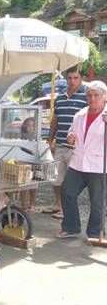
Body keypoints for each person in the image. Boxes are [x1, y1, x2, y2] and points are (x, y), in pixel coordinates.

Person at [57, 80, 107, 244]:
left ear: (104, 97)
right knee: (67, 191)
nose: (92, 98)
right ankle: (71, 227)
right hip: (78, 162)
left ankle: (94, 232)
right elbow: (72, 133)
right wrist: (70, 137)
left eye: (96, 95)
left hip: (99, 165)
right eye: (89, 95)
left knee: (97, 201)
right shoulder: (80, 114)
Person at [45, 67, 87, 219]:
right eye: (69, 78)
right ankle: (58, 204)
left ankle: (67, 210)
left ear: (81, 79)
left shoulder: (86, 96)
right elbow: (55, 120)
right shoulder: (60, 97)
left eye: (76, 78)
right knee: (56, 177)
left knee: (71, 181)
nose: (72, 81)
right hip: (60, 144)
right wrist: (50, 139)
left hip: (76, 146)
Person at [19, 117, 37, 212]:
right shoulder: (21, 137)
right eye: (28, 125)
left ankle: (32, 203)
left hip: (34, 162)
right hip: (24, 162)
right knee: (23, 184)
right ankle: (23, 203)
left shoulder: (36, 137)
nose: (30, 128)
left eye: (32, 126)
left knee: (34, 184)